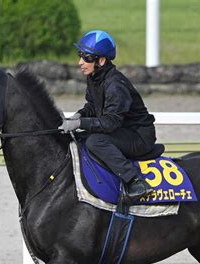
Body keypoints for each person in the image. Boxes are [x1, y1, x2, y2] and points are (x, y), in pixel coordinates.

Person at [59, 29, 156, 204]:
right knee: (80, 137)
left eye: (86, 58)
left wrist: (80, 122)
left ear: (101, 61)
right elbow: (92, 106)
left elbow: (110, 123)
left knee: (95, 141)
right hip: (122, 130)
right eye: (80, 55)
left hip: (139, 136)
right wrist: (78, 116)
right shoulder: (95, 77)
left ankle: (136, 182)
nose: (80, 62)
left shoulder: (115, 85)